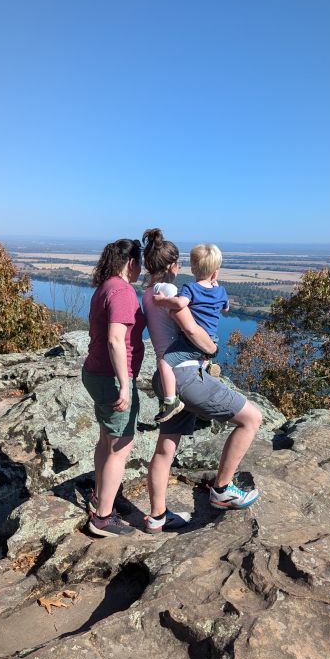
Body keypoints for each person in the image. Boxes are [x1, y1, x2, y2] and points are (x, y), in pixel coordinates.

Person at [142, 229, 262, 534]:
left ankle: (157, 516)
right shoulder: (169, 292)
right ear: (173, 265)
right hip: (186, 374)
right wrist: (213, 349)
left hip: (167, 377)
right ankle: (222, 489)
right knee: (251, 418)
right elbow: (193, 330)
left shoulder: (147, 292)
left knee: (165, 449)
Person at [81, 238, 145, 537]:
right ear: (131, 262)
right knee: (121, 447)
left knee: (106, 440)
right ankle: (103, 518)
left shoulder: (105, 287)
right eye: (139, 264)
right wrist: (124, 384)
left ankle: (98, 497)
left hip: (96, 372)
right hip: (111, 377)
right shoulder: (121, 291)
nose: (140, 270)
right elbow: (115, 340)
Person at [152, 242, 229, 423]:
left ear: (194, 269)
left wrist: (162, 301)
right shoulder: (221, 291)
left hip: (191, 341)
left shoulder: (190, 288)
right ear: (215, 272)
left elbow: (179, 304)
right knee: (203, 353)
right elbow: (226, 309)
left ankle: (170, 402)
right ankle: (207, 365)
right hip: (211, 338)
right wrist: (216, 288)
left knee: (164, 363)